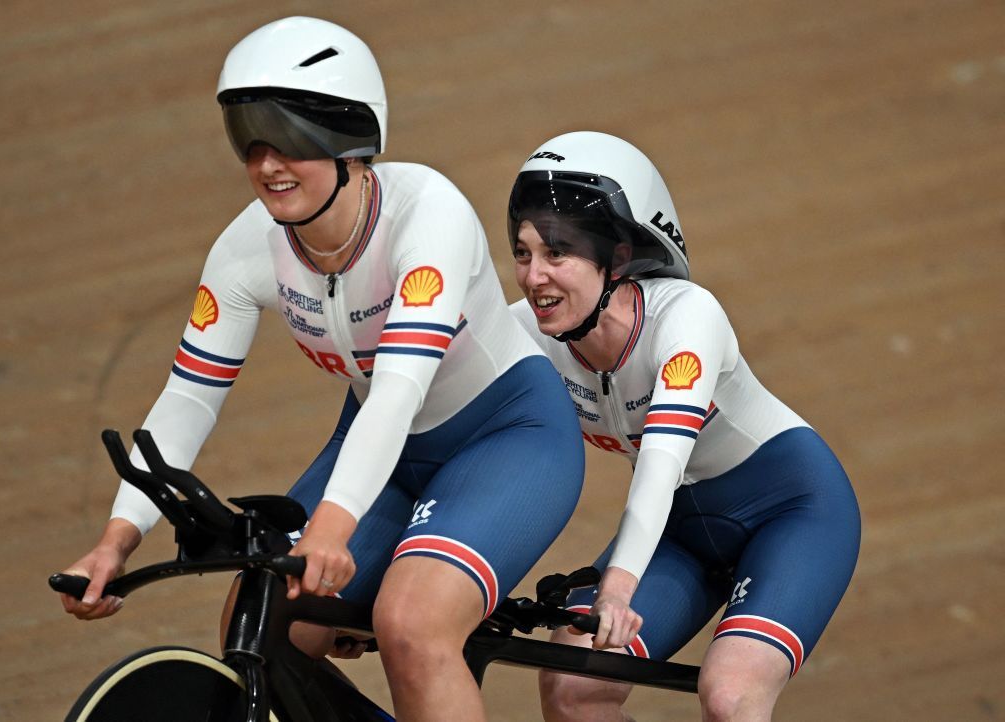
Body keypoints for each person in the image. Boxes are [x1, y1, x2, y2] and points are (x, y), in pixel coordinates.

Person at [58, 17, 585, 722]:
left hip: (507, 438)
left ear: (350, 139)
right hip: (384, 449)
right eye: (250, 139)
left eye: (291, 141)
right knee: (262, 622)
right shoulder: (248, 249)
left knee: (412, 624)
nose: (268, 164)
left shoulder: (429, 216)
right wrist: (116, 541)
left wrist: (333, 527)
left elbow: (399, 392)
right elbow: (188, 397)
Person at [508, 131, 860, 721]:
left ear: (617, 258)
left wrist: (617, 589)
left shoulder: (687, 318)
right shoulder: (525, 333)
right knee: (571, 690)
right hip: (679, 532)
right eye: (523, 253)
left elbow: (664, 460)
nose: (533, 277)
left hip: (794, 513)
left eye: (558, 253)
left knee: (729, 695)